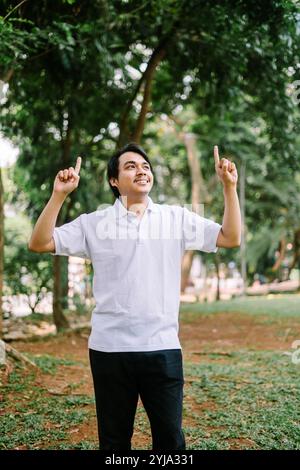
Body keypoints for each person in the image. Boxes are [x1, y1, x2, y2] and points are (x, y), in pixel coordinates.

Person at [28, 142, 241, 450]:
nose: (141, 170)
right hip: (109, 350)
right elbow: (40, 242)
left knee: (170, 443)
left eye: (145, 166)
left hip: (163, 347)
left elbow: (230, 237)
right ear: (114, 181)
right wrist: (59, 195)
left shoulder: (176, 218)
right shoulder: (94, 223)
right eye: (130, 166)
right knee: (114, 443)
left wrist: (229, 188)